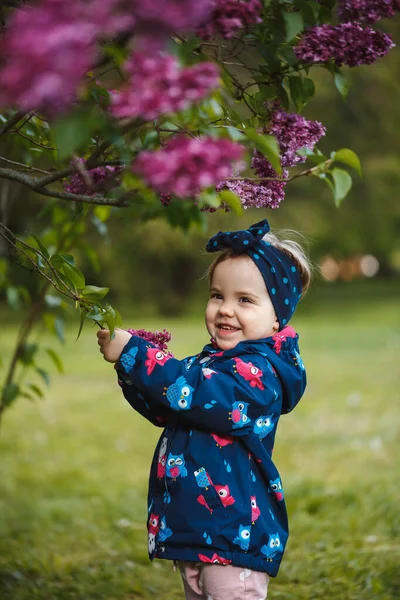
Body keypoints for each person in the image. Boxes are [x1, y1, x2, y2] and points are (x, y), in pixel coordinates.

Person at [97, 219, 311, 600]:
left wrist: (137, 355)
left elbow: (199, 394)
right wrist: (130, 368)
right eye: (217, 295)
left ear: (278, 316)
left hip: (232, 535)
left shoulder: (260, 373)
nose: (225, 309)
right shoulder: (212, 362)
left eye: (244, 300)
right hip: (197, 529)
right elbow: (169, 408)